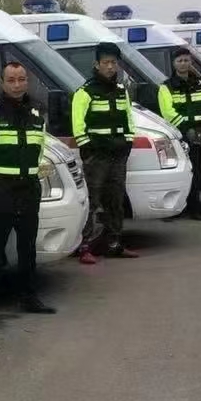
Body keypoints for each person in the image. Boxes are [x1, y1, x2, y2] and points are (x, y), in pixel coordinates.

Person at [0, 60, 55, 313]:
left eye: (22, 79)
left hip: (28, 188)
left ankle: (29, 298)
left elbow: (39, 151)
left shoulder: (37, 113)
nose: (17, 85)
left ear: (27, 81)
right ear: (2, 83)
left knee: (27, 247)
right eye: (11, 80)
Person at [72, 42, 138, 262]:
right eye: (106, 63)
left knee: (115, 200)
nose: (110, 67)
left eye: (113, 63)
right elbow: (78, 123)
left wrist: (128, 143)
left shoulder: (121, 91)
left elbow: (129, 118)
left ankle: (114, 243)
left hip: (118, 154)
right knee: (92, 201)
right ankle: (84, 248)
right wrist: (88, 147)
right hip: (97, 156)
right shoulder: (85, 92)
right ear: (96, 64)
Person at [156, 48, 201, 221]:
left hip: (198, 134)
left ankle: (195, 208)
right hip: (178, 136)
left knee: (195, 171)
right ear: (174, 63)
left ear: (191, 62)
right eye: (180, 60)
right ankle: (174, 209)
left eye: (186, 60)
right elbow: (167, 112)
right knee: (177, 171)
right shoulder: (166, 87)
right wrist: (187, 128)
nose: (183, 63)